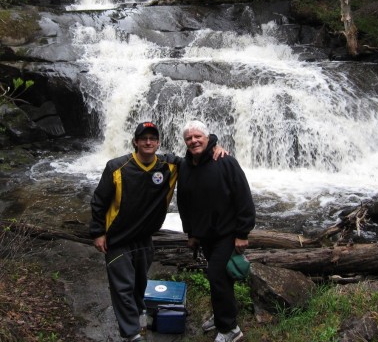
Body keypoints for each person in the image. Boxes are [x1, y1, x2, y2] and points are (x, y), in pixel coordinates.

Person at [89, 121, 225, 342]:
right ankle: (131, 334)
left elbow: (196, 155)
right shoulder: (116, 167)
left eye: (152, 138)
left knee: (140, 283)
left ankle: (140, 318)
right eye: (144, 138)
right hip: (118, 239)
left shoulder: (169, 165)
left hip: (145, 237)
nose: (148, 142)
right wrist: (97, 232)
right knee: (122, 287)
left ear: (159, 142)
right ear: (135, 142)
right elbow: (99, 202)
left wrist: (215, 144)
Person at [177, 120, 256, 342]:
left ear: (207, 137)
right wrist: (190, 233)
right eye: (189, 138)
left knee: (216, 275)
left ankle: (230, 329)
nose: (193, 141)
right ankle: (222, 315)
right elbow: (183, 202)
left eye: (197, 137)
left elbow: (243, 197)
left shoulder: (225, 161)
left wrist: (243, 233)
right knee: (221, 278)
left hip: (228, 233)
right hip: (205, 234)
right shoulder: (185, 166)